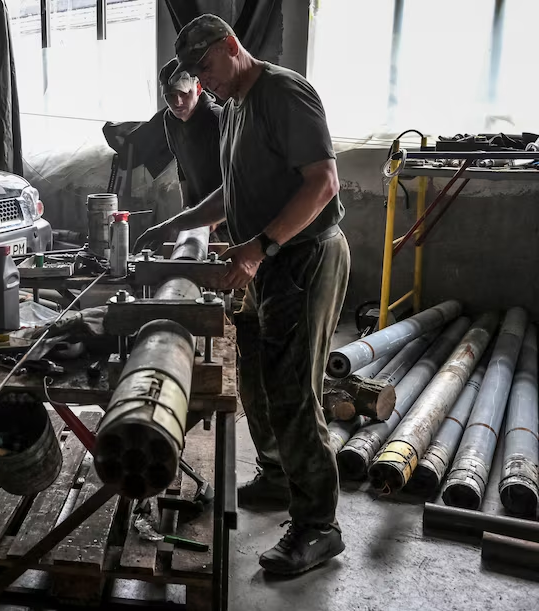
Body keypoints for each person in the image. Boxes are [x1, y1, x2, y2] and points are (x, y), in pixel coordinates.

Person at [135, 14, 350, 576]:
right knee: (252, 366)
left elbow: (323, 182)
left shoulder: (283, 91)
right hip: (268, 259)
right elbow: (233, 191)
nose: (204, 81)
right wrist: (177, 224)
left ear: (232, 46)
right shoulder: (234, 108)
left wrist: (258, 249)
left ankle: (318, 527)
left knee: (293, 387)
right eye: (193, 74)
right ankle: (279, 474)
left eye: (206, 67)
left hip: (304, 257)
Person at [159, 58, 223, 214]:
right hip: (197, 210)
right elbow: (181, 164)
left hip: (225, 211)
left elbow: (234, 180)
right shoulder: (170, 119)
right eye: (170, 95)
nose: (177, 102)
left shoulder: (217, 120)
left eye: (184, 93)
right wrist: (185, 207)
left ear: (199, 88)